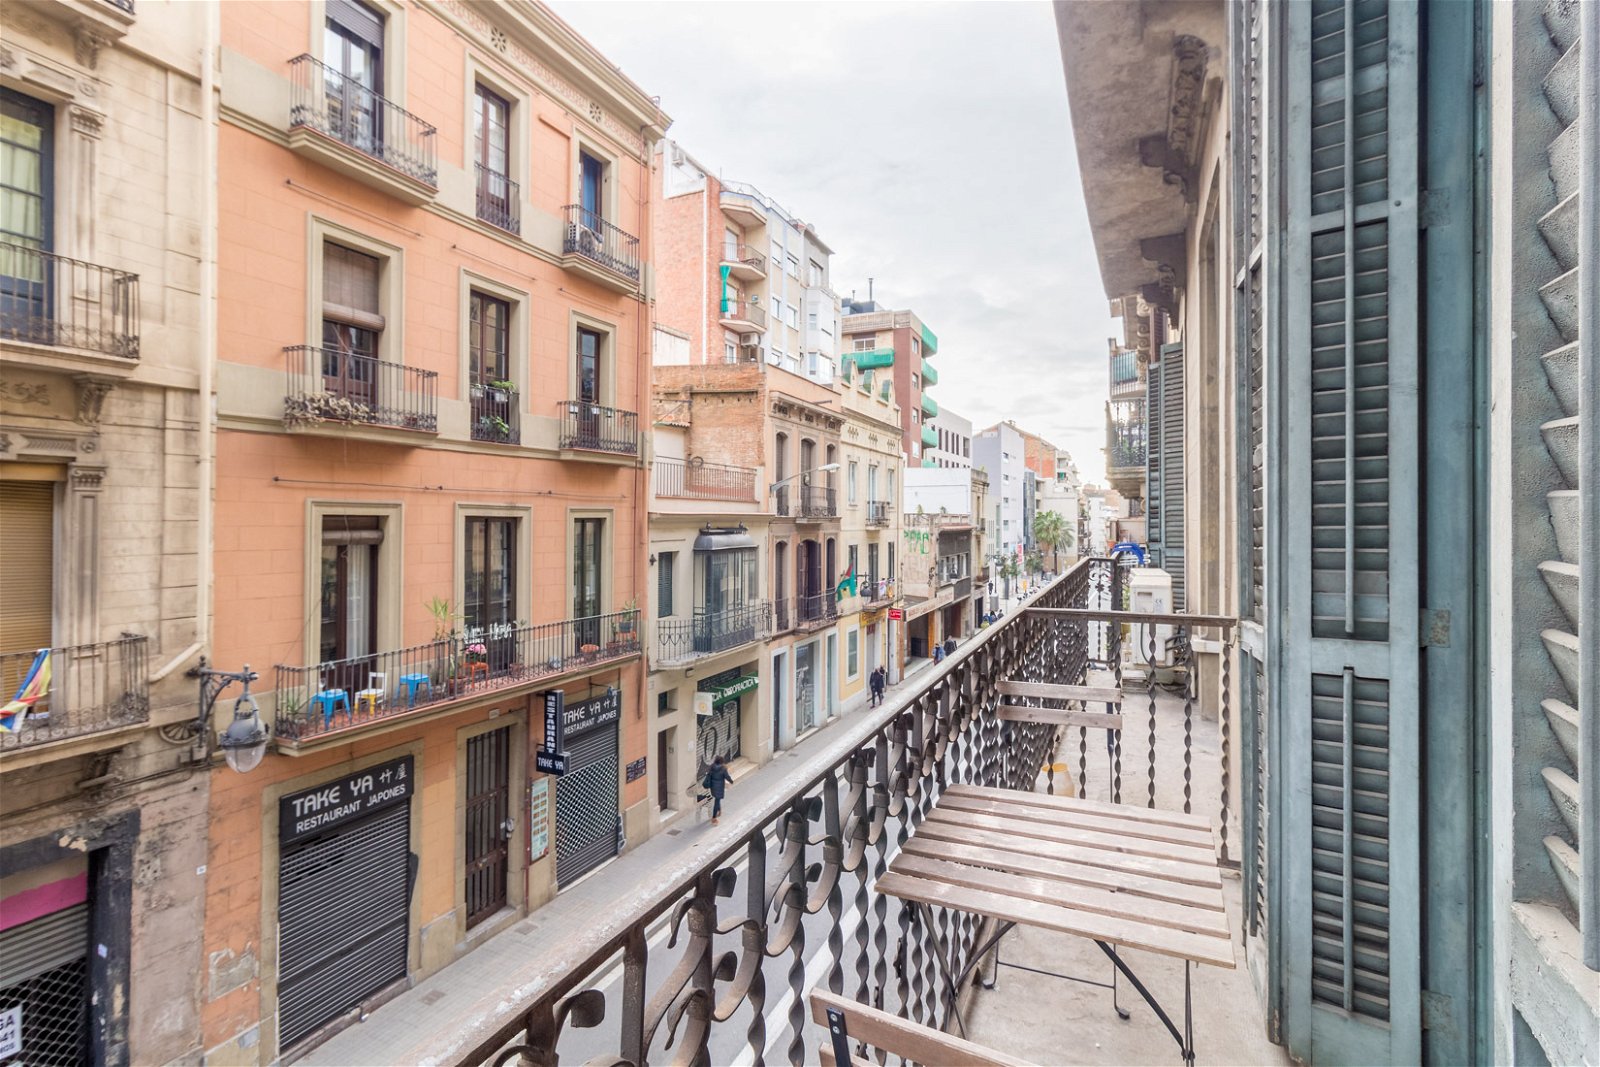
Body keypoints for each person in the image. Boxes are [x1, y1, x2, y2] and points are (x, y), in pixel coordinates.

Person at [702, 756, 733, 825]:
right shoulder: (723, 769)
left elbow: (709, 775)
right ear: (722, 761)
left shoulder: (712, 767)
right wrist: (731, 781)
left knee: (717, 799)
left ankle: (719, 810)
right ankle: (714, 818)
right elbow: (727, 776)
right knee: (717, 801)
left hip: (713, 787)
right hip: (719, 787)